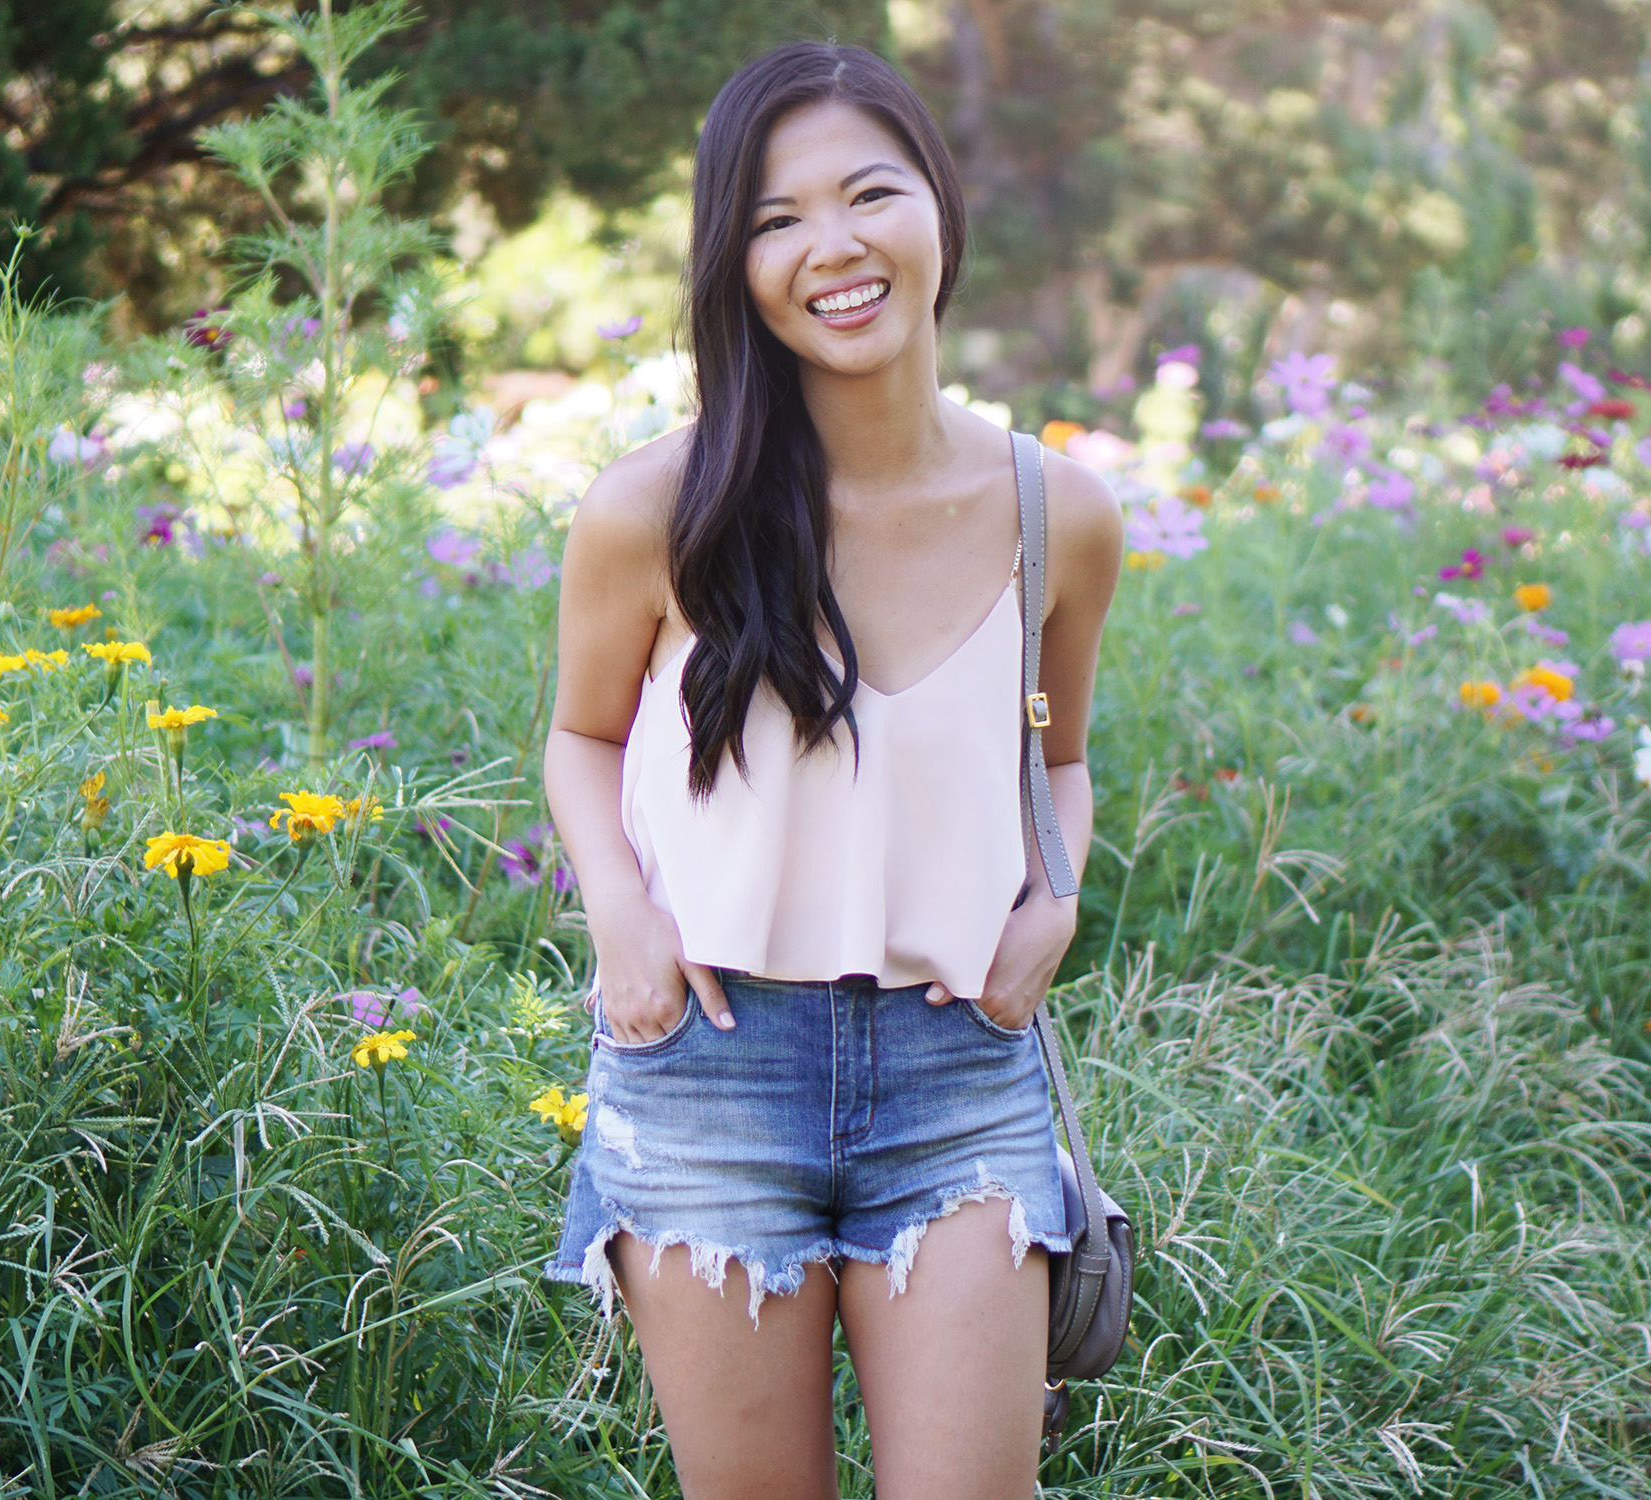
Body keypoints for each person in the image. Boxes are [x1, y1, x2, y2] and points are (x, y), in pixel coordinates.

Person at [542, 40, 1121, 1500]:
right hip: (710, 1078)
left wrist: (1055, 901)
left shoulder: (1059, 511)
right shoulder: (658, 511)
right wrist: (620, 913)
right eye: (776, 217)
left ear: (939, 207)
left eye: (870, 192)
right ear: (732, 264)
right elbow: (582, 737)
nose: (834, 246)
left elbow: (1060, 758)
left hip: (959, 1080)